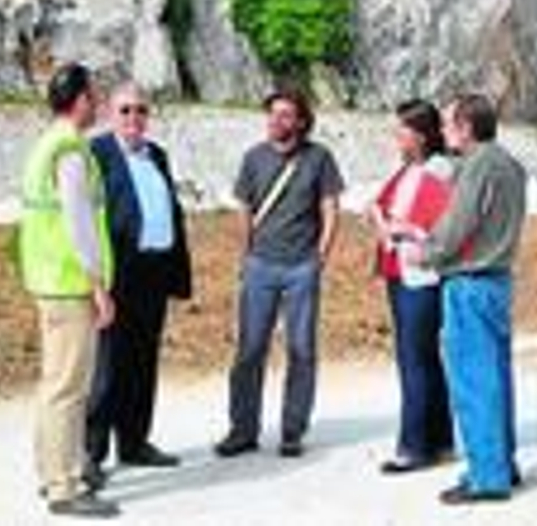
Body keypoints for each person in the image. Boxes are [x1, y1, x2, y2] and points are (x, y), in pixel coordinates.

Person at [402, 92, 527, 506]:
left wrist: (425, 250)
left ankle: (486, 476)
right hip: (498, 279)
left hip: (470, 281)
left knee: (473, 381)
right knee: (496, 378)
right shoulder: (510, 164)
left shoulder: (476, 167)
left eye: (450, 124)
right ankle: (502, 463)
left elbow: (459, 224)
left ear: (467, 128)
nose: (444, 132)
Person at [215, 87, 345, 459]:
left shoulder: (320, 158)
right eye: (272, 115)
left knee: (301, 350)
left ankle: (292, 431)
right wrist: (245, 256)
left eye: (286, 115)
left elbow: (330, 208)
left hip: (302, 267)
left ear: (301, 121)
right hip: (260, 265)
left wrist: (320, 258)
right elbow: (243, 210)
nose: (276, 121)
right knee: (249, 350)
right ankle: (242, 430)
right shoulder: (253, 158)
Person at [17, 63, 120, 519]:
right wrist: (97, 283)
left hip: (46, 280)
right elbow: (79, 223)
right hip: (69, 282)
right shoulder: (71, 151)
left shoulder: (45, 144)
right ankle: (64, 486)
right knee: (69, 388)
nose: (97, 104)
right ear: (79, 100)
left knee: (53, 383)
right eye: (94, 96)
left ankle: (51, 470)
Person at [85, 81, 193, 475]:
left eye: (141, 110)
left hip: (154, 272)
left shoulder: (157, 155)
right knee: (108, 366)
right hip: (118, 274)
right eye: (126, 110)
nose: (134, 118)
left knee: (143, 362)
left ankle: (134, 442)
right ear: (111, 114)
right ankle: (90, 453)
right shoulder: (97, 153)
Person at [368, 99, 455, 474]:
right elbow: (385, 208)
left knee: (414, 358)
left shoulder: (437, 170)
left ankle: (415, 445)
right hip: (401, 270)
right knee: (423, 357)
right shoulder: (411, 169)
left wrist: (393, 225)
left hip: (419, 274)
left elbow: (430, 222)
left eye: (401, 130)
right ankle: (439, 439)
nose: (395, 136)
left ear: (420, 135)